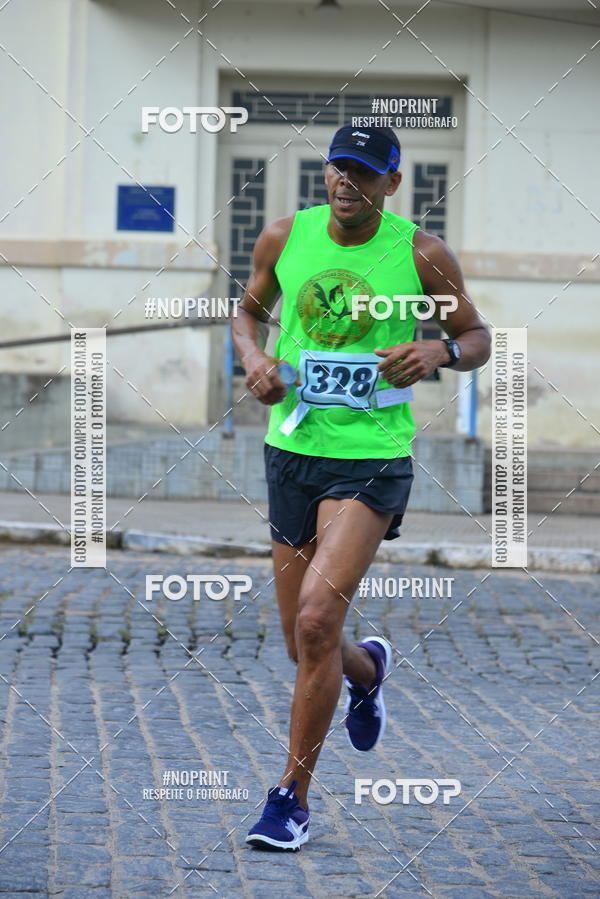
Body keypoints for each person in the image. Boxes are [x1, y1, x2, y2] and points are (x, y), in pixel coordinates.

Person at [232, 124, 490, 851]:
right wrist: (253, 357)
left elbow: (477, 336)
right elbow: (246, 310)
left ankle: (290, 798)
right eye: (337, 168)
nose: (346, 181)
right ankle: (368, 669)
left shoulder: (420, 254)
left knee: (317, 619)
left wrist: (438, 349)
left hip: (373, 456)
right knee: (300, 640)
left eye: (364, 172)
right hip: (292, 450)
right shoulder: (284, 237)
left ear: (391, 184)